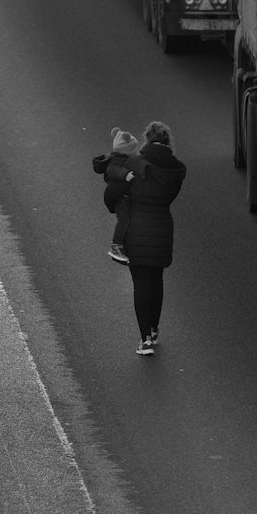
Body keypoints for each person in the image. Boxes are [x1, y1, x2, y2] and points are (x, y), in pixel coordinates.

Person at [104, 120, 186, 357]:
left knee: (141, 284)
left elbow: (112, 191)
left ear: (147, 139)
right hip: (162, 228)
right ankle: (154, 330)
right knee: (156, 281)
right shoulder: (176, 171)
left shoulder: (135, 164)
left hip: (136, 229)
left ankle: (145, 340)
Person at [92, 127, 138, 264]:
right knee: (124, 220)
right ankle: (116, 246)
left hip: (120, 195)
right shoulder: (117, 160)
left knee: (125, 219)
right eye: (133, 149)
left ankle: (121, 245)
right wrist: (126, 175)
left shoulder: (117, 158)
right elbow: (113, 171)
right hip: (121, 197)